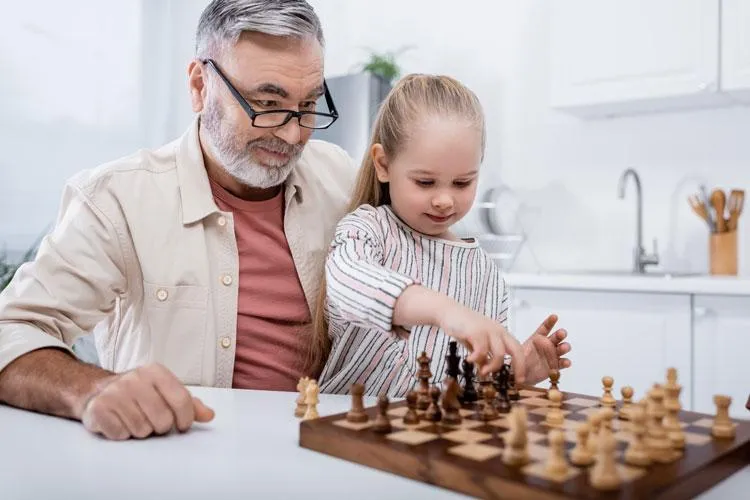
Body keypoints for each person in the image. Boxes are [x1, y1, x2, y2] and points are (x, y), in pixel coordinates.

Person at [0, 0, 356, 440]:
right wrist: (91, 390)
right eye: (268, 103)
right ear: (199, 86)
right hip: (176, 459)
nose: (293, 133)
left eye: (308, 105)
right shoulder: (116, 198)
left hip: (326, 453)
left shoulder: (342, 179)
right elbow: (11, 329)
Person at [314, 74, 572, 396]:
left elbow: (470, 381)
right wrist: (444, 311)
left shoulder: (485, 274)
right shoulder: (368, 229)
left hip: (432, 438)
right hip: (345, 424)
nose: (445, 200)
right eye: (425, 182)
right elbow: (346, 281)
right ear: (383, 165)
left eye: (462, 183)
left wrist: (515, 374)